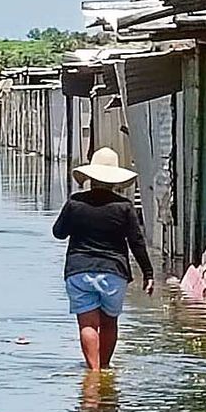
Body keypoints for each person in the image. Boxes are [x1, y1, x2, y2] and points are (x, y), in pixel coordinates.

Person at [52, 147, 154, 372]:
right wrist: (148, 274)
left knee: (87, 324)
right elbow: (136, 242)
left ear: (90, 177)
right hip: (113, 272)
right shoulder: (124, 207)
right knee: (109, 322)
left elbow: (58, 232)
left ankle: (93, 372)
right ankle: (105, 367)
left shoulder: (75, 203)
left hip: (78, 270)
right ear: (115, 181)